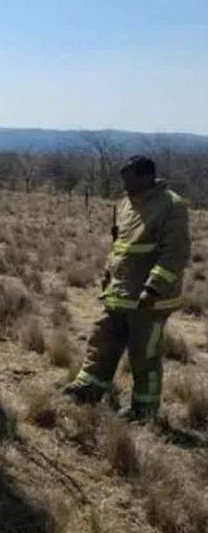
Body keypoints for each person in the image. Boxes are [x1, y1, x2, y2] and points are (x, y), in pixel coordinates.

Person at [63, 155, 190, 422]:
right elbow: (120, 246)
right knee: (102, 339)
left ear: (146, 177)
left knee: (144, 353)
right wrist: (109, 275)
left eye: (129, 177)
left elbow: (175, 254)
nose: (124, 183)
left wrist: (152, 288)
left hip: (150, 299)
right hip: (120, 291)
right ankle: (89, 388)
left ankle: (144, 410)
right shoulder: (124, 205)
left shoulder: (172, 206)